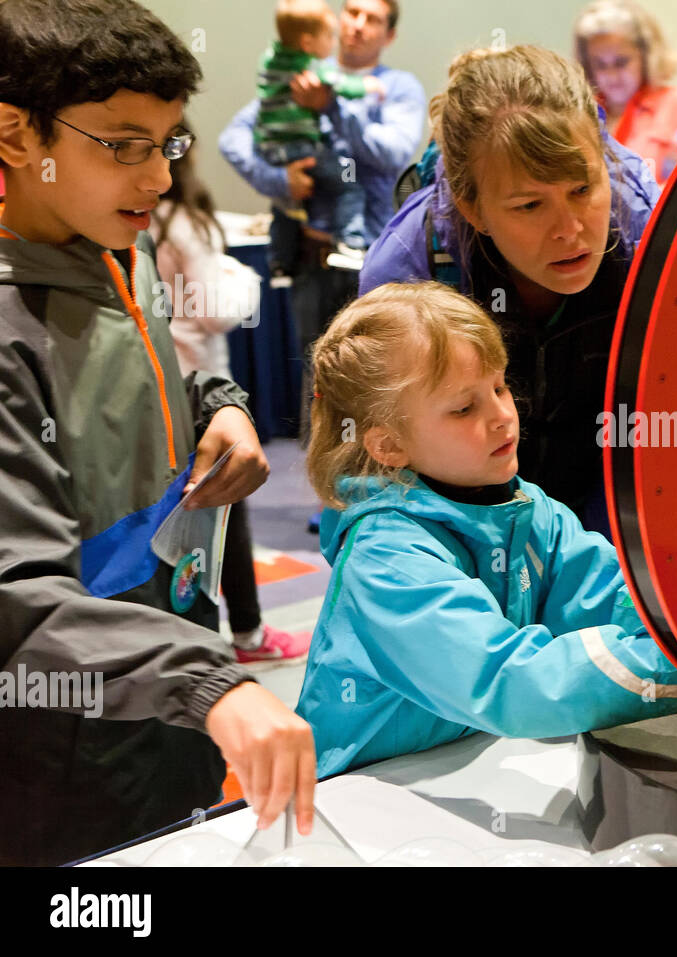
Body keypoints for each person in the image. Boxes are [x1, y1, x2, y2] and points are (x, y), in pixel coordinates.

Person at [0, 0, 315, 866]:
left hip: (162, 699)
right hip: (58, 749)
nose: (160, 179)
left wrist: (221, 403)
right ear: (17, 137)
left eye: (168, 143)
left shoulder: (108, 249)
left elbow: (155, 375)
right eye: (124, 144)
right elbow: (16, 595)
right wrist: (211, 682)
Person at [295, 282, 677, 775]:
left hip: (463, 765)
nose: (502, 416)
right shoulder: (383, 562)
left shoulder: (523, 507)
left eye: (499, 386)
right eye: (463, 408)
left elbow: (612, 592)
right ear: (387, 445)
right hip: (360, 796)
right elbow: (510, 682)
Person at [360, 45, 659, 533]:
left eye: (582, 190)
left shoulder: (654, 245)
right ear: (472, 208)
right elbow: (372, 475)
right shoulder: (403, 273)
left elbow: (652, 439)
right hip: (455, 519)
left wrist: (602, 566)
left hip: (605, 497)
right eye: (528, 206)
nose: (569, 230)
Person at [219, 0, 425, 499]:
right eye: (350, 12)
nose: (356, 24)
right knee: (320, 375)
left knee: (383, 374)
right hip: (312, 255)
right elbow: (234, 137)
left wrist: (332, 107)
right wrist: (279, 180)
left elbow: (393, 153)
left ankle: (383, 490)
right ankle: (326, 495)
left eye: (371, 18)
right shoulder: (303, 71)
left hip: (375, 256)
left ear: (389, 34)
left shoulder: (397, 88)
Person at [149, 146, 311, 662]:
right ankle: (245, 636)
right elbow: (216, 309)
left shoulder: (153, 220)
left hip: (168, 386)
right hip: (193, 387)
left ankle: (207, 641)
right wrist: (243, 279)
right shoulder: (180, 223)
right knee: (220, 514)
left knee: (188, 519)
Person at [255, 0, 386, 277]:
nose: (335, 40)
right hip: (301, 150)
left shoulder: (270, 60)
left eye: (373, 19)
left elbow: (390, 153)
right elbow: (342, 84)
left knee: (285, 206)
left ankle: (278, 262)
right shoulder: (312, 69)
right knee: (349, 185)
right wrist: (367, 86)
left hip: (272, 147)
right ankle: (350, 243)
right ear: (307, 42)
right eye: (328, 36)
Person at [574, 0, 677, 186]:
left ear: (647, 55)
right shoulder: (580, 114)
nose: (611, 76)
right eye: (600, 64)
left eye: (621, 62)